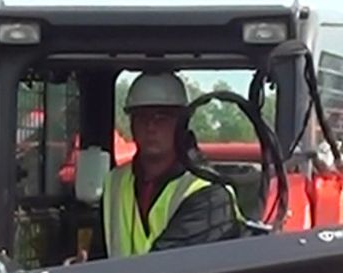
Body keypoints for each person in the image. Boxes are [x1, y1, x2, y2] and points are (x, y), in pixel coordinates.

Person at [83, 72, 244, 260]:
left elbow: (165, 268)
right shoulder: (115, 182)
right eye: (142, 116)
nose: (151, 126)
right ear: (132, 123)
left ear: (182, 123)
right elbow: (101, 253)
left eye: (162, 117)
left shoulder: (210, 195)